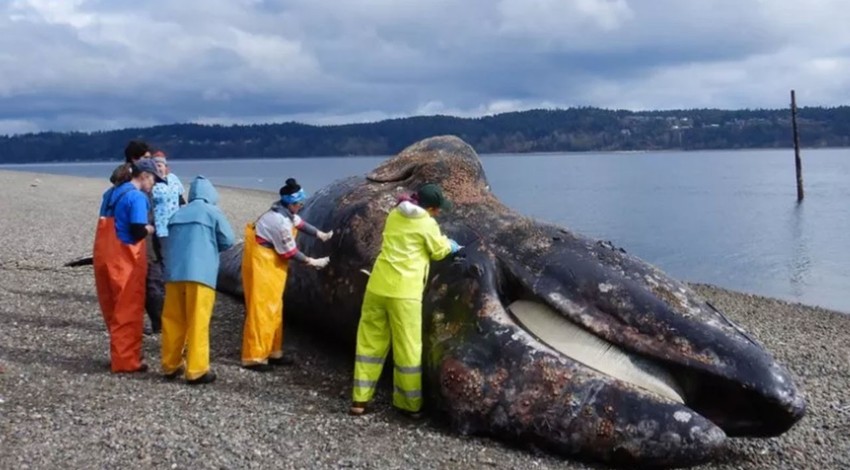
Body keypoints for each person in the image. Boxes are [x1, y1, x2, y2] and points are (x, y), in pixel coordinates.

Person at [349, 183, 461, 418]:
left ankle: (359, 400)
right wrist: (451, 245)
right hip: (404, 292)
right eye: (437, 209)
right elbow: (439, 250)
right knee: (407, 348)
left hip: (377, 286)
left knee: (369, 345)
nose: (439, 212)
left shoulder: (394, 214)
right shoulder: (427, 223)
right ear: (429, 207)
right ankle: (408, 404)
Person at [241, 178, 333, 371]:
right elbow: (289, 252)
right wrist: (312, 261)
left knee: (275, 307)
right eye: (299, 203)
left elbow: (300, 224)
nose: (301, 206)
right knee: (263, 309)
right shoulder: (279, 222)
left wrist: (320, 234)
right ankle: (255, 356)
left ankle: (273, 351)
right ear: (291, 204)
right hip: (262, 265)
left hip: (271, 266)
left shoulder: (286, 214)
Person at [161, 176, 235, 385]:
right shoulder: (212, 212)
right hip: (200, 275)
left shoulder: (177, 214)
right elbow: (228, 240)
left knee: (173, 321)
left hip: (174, 275)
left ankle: (170, 365)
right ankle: (196, 369)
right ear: (210, 194)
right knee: (198, 321)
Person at [94, 159, 165, 373]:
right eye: (153, 179)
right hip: (125, 258)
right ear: (144, 176)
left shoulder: (111, 193)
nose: (154, 184)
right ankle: (127, 360)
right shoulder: (137, 197)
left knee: (111, 308)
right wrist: (150, 229)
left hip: (103, 255)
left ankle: (119, 353)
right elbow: (136, 230)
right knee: (128, 308)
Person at [145, 151, 185, 335]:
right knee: (158, 265)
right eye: (156, 165)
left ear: (166, 167)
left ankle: (172, 298)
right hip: (156, 228)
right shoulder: (150, 184)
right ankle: (161, 316)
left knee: (171, 263)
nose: (159, 167)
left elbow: (181, 200)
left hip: (173, 227)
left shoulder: (173, 180)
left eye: (161, 164)